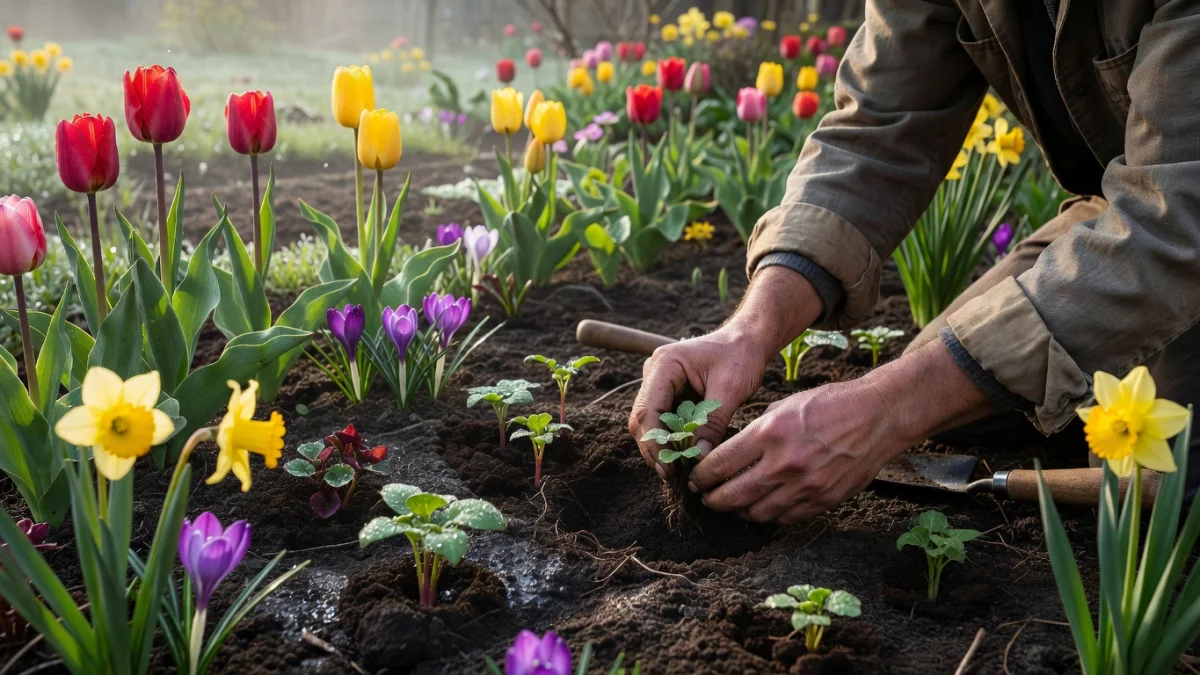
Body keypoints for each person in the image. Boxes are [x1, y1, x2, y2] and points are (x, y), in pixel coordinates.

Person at [628, 0, 1200, 524]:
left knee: (1175, 481)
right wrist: (748, 333)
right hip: (1124, 208)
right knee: (956, 388)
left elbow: (1175, 220)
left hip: (1172, 220)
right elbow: (876, 128)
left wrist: (883, 410)